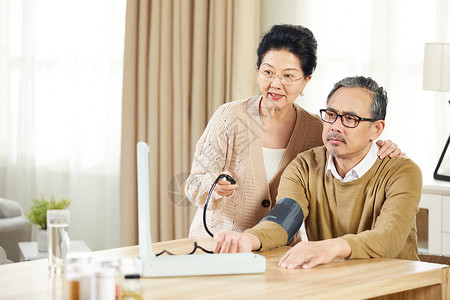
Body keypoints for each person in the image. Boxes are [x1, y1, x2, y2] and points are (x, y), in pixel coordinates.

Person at [185, 24, 402, 238]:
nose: (275, 84)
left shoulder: (318, 130)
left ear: (306, 80)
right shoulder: (229, 118)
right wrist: (212, 186)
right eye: (267, 72)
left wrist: (377, 149)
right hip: (217, 243)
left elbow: (348, 160)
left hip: (280, 252)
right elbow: (193, 183)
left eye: (288, 76)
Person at [212, 76, 422, 270]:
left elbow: (389, 237)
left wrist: (332, 247)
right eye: (331, 115)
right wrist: (248, 240)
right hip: (333, 282)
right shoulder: (304, 166)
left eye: (350, 118)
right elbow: (283, 220)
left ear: (376, 129)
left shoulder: (402, 172)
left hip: (396, 284)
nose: (335, 127)